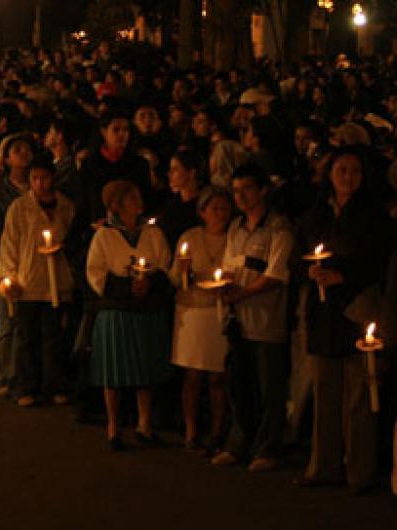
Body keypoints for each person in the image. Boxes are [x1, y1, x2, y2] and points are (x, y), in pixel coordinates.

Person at [293, 147, 394, 494]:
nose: (348, 177)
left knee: (359, 394)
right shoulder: (315, 215)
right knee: (325, 391)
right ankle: (324, 465)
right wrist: (310, 271)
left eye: (354, 170)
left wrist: (343, 275)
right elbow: (297, 256)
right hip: (323, 313)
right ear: (329, 173)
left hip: (356, 310)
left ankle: (360, 471)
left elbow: (378, 261)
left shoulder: (374, 217)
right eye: (342, 170)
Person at [212, 164, 294, 472]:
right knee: (240, 383)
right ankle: (239, 442)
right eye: (236, 190)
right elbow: (230, 264)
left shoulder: (278, 228)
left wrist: (242, 293)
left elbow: (276, 274)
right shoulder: (236, 228)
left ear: (262, 190)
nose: (241, 196)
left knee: (270, 386)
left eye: (247, 189)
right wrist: (226, 287)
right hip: (239, 320)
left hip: (267, 319)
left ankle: (268, 448)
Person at [86, 180, 172, 450]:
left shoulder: (153, 234)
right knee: (114, 371)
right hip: (117, 312)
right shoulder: (105, 236)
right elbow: (95, 272)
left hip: (145, 310)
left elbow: (166, 266)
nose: (139, 200)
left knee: (144, 368)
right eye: (132, 197)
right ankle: (114, 426)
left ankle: (144, 423)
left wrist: (150, 284)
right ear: (116, 205)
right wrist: (126, 286)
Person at [0, 153, 75, 407]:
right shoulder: (19, 208)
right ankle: (26, 386)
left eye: (44, 178)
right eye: (34, 179)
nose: (40, 183)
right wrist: (10, 276)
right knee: (27, 337)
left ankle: (54, 385)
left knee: (53, 336)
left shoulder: (65, 206)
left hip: (56, 282)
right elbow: (9, 244)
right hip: (29, 280)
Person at [169, 186, 232, 454]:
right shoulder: (191, 237)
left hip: (219, 311)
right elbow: (174, 279)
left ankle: (218, 431)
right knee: (192, 375)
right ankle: (191, 429)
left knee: (218, 376)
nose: (220, 213)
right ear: (203, 211)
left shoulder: (234, 238)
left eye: (224, 208)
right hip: (193, 311)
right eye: (214, 208)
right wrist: (184, 273)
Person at [0, 134, 34, 396]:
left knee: (27, 322)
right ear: (6, 157)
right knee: (8, 320)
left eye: (27, 149)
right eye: (17, 150)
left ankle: (25, 375)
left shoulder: (39, 187)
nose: (24, 154)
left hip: (32, 261)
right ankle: (5, 375)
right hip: (7, 261)